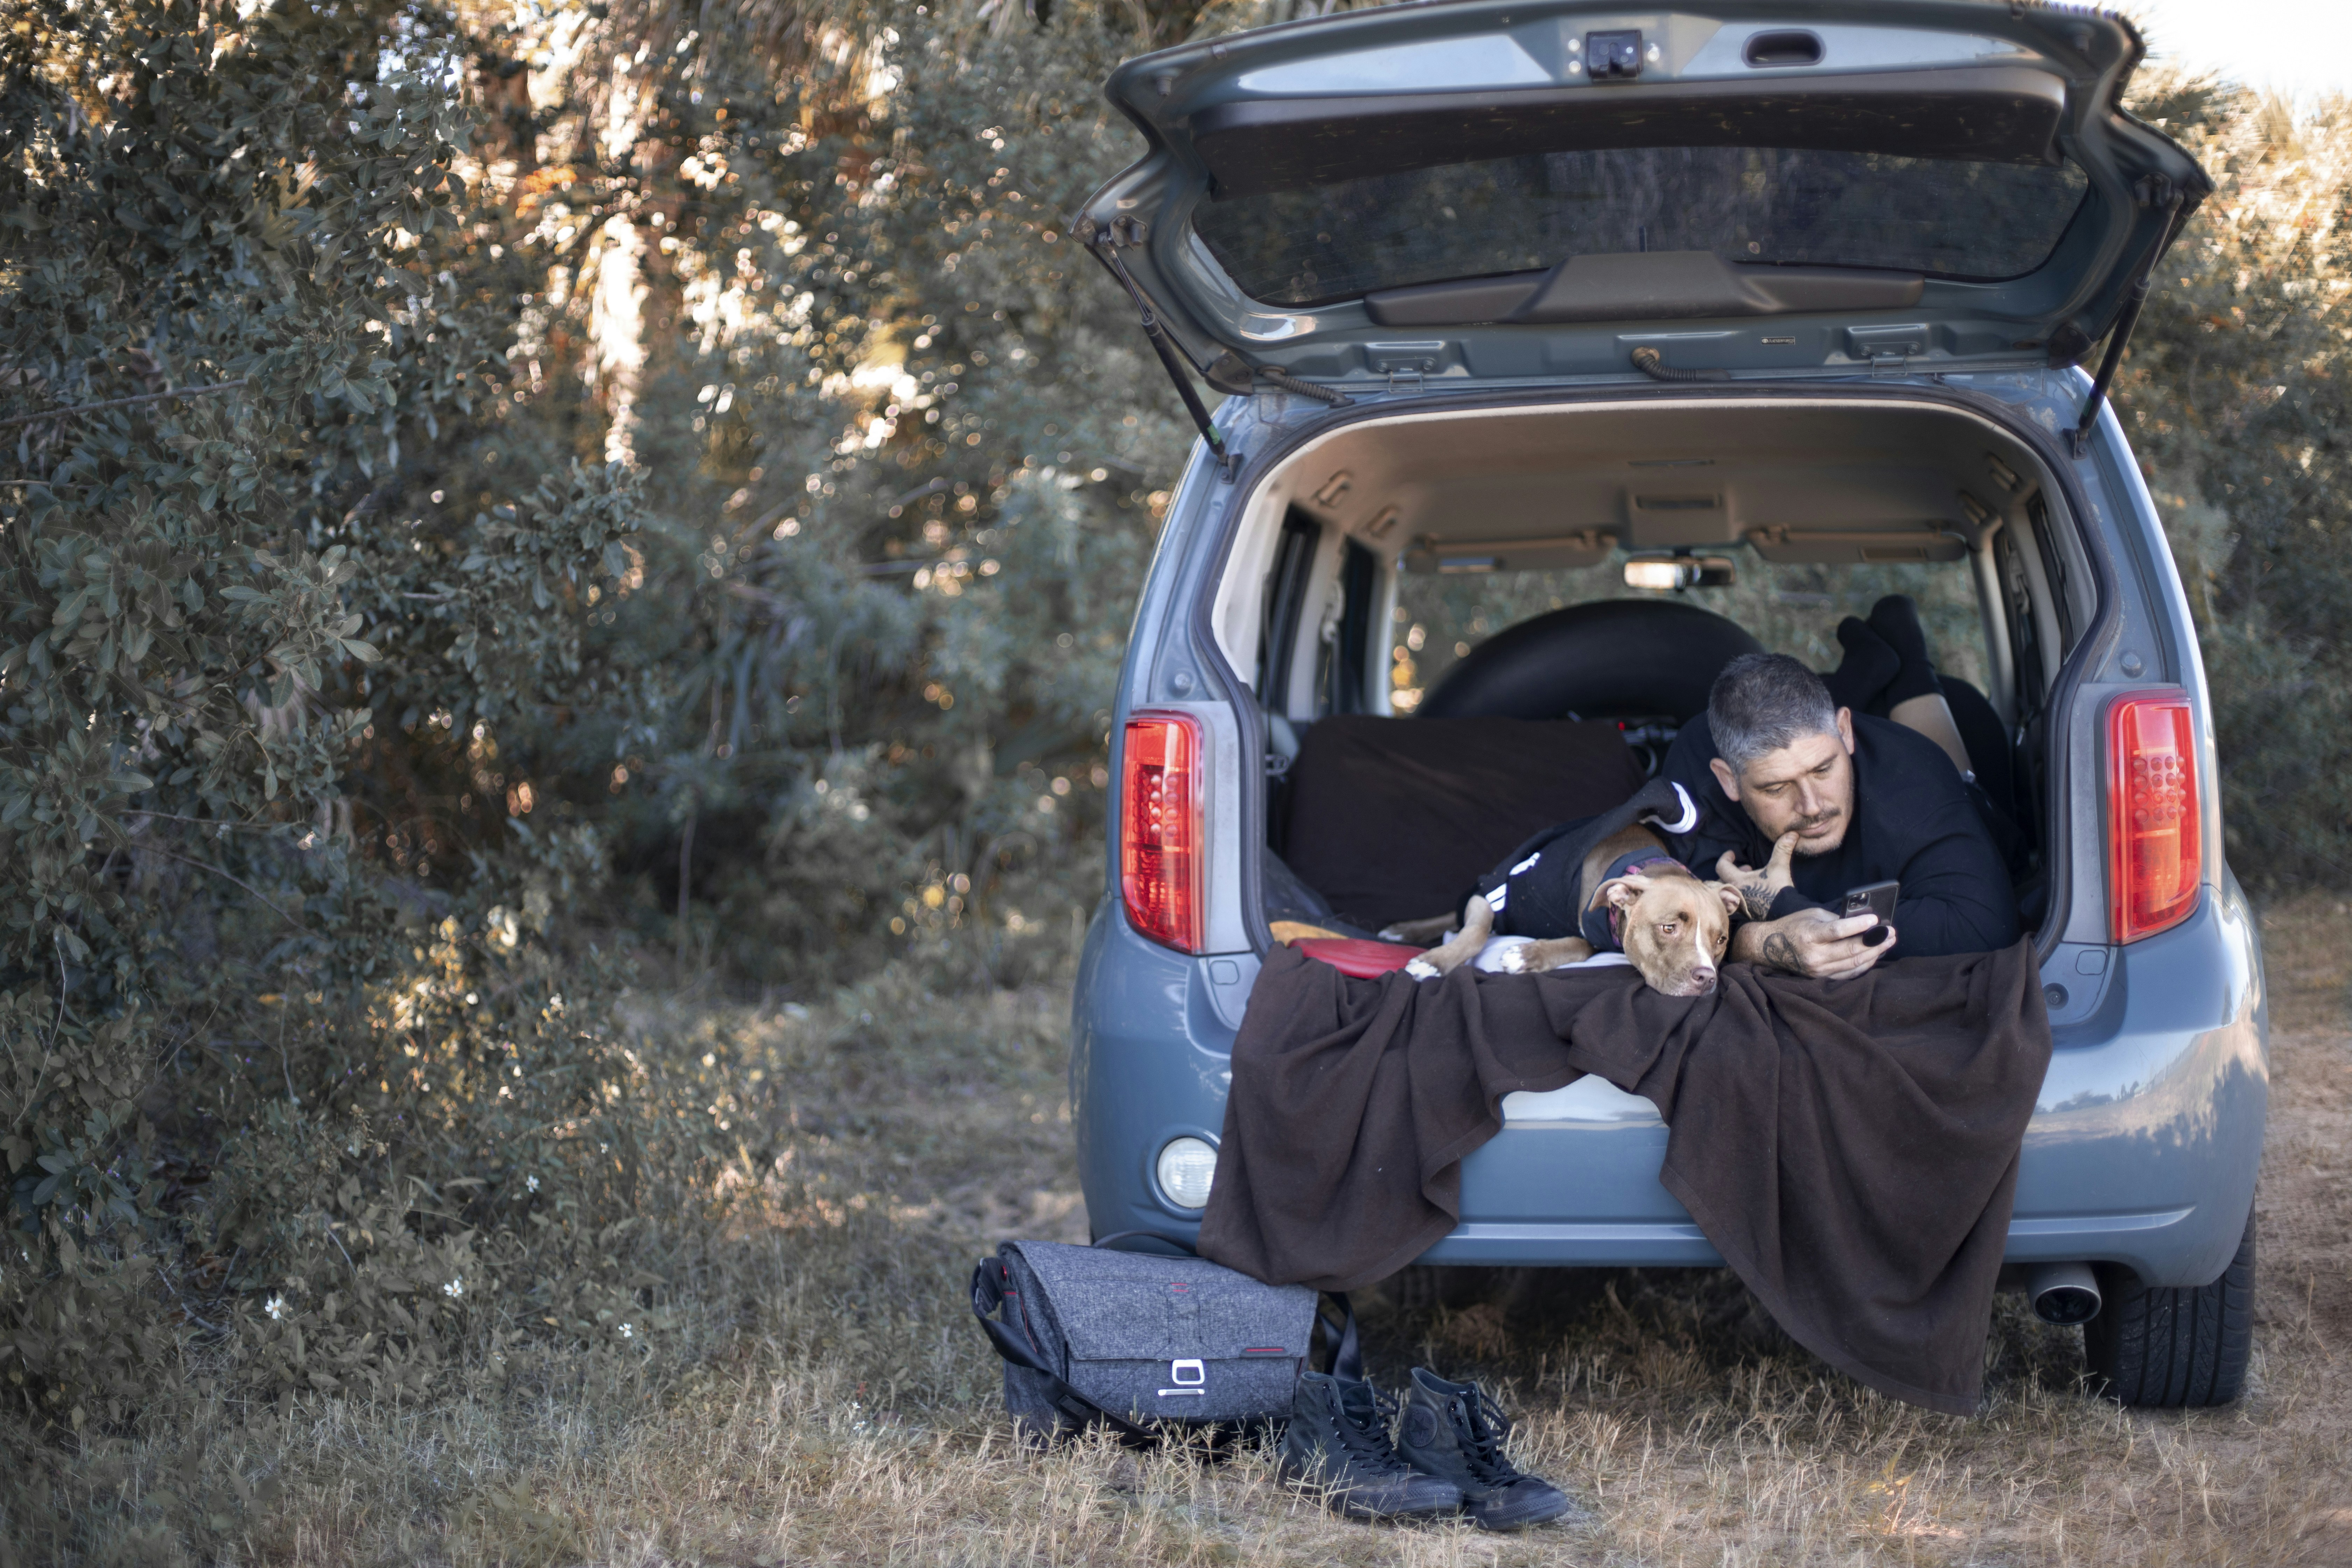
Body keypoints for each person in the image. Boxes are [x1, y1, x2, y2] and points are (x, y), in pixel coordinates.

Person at [1661, 597, 2020, 980]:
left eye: (1823, 769)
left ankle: (1911, 662)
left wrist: (1783, 908)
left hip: (1945, 790)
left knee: (1960, 776)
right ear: (1729, 779)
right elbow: (1687, 926)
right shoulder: (1698, 766)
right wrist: (1763, 939)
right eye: (1776, 788)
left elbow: (1983, 927)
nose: (1812, 806)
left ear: (1845, 731)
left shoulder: (1913, 780)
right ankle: (1868, 669)